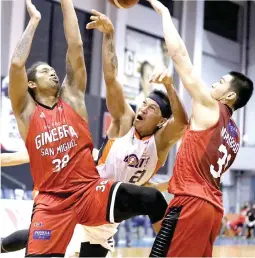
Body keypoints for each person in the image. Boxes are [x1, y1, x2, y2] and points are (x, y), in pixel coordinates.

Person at [7, 0, 168, 256]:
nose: (53, 73)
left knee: (152, 200)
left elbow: (76, 47)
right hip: (52, 201)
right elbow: (16, 65)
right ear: (31, 85)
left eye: (53, 70)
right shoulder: (27, 113)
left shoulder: (71, 99)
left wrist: (66, 3)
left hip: (89, 190)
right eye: (45, 72)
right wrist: (34, 21)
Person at [147, 0, 254, 257]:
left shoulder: (210, 107)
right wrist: (158, 187)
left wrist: (163, 12)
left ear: (228, 96)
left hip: (192, 206)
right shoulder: (234, 135)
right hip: (210, 208)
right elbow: (199, 175)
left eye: (219, 82)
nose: (211, 86)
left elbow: (180, 56)